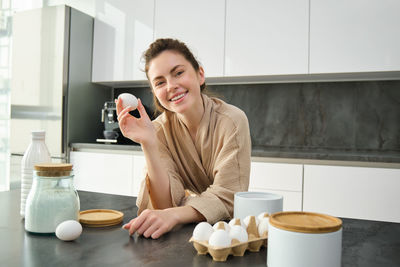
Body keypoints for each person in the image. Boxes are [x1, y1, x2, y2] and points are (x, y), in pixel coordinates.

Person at [116, 38, 251, 239]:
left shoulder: (231, 120)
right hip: (188, 232)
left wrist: (177, 212)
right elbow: (165, 205)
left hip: (230, 234)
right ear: (154, 92)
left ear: (200, 75)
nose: (171, 86)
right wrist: (149, 143)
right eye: (160, 82)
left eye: (178, 73)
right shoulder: (158, 130)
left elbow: (228, 195)